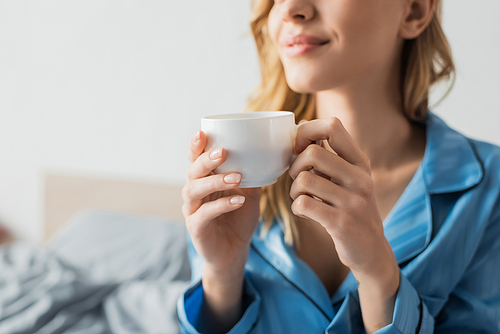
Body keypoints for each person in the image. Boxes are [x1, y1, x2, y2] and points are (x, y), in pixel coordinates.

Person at [177, 0, 500, 333]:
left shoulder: (490, 189)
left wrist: (379, 277)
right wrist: (222, 275)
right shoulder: (231, 178)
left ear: (414, 11)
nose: (290, 8)